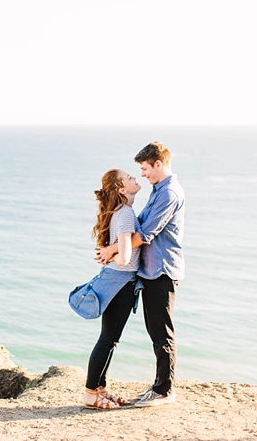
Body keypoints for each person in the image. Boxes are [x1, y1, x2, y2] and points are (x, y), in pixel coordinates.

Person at [96, 141, 185, 407]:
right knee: (155, 329)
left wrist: (112, 249)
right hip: (151, 271)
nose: (143, 174)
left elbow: (146, 234)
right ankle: (159, 386)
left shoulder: (169, 193)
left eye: (145, 168)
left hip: (162, 270)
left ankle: (164, 391)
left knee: (162, 331)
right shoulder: (159, 190)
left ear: (159, 164)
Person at [82, 168, 142, 410]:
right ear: (121, 189)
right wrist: (115, 252)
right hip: (120, 282)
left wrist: (110, 250)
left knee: (110, 338)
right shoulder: (125, 213)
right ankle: (89, 393)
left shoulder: (118, 211)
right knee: (108, 339)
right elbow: (125, 258)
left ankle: (99, 389)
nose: (135, 178)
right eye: (129, 178)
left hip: (114, 281)